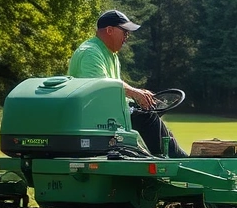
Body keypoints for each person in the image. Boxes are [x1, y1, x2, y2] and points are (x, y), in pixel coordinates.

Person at [68, 9, 188, 158]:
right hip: (94, 118)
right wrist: (135, 93)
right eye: (124, 31)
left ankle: (173, 156)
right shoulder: (90, 53)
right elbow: (102, 86)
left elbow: (114, 86)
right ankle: (177, 160)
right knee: (147, 119)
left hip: (107, 115)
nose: (127, 36)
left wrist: (137, 98)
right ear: (110, 30)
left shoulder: (111, 55)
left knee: (150, 115)